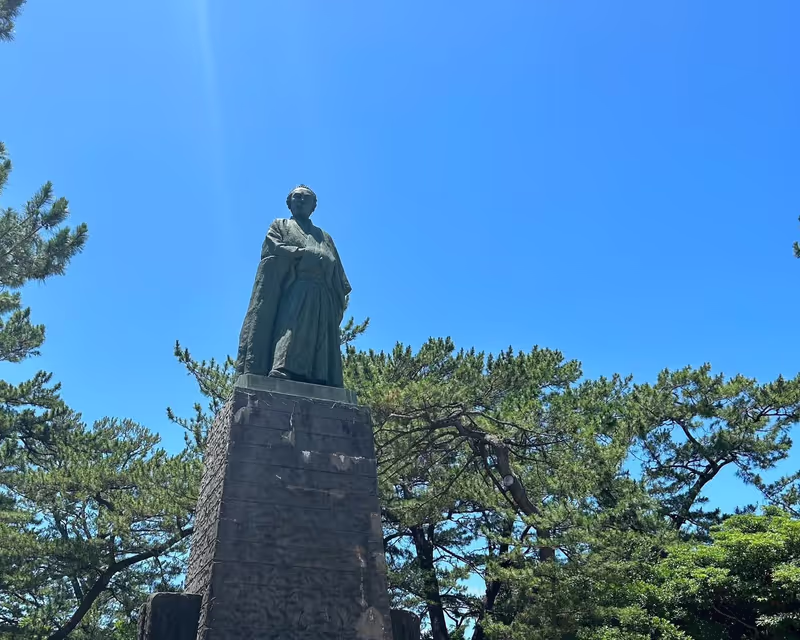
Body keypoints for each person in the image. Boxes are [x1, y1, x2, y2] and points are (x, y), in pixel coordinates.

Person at [235, 185, 351, 387]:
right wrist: (304, 254)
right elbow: (274, 249)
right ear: (289, 203)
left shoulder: (324, 237)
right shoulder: (279, 226)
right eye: (296, 197)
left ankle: (318, 376)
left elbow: (338, 273)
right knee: (290, 327)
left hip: (322, 294)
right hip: (295, 287)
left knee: (320, 336)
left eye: (305, 198)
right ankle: (282, 368)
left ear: (313, 207)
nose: (300, 201)